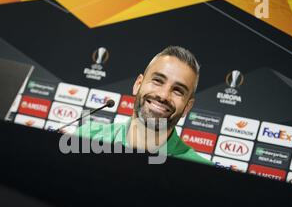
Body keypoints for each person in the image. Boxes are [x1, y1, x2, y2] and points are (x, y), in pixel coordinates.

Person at [76, 46, 212, 165]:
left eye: (178, 90)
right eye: (158, 81)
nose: (163, 95)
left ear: (187, 107)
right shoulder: (86, 137)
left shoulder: (203, 172)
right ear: (138, 85)